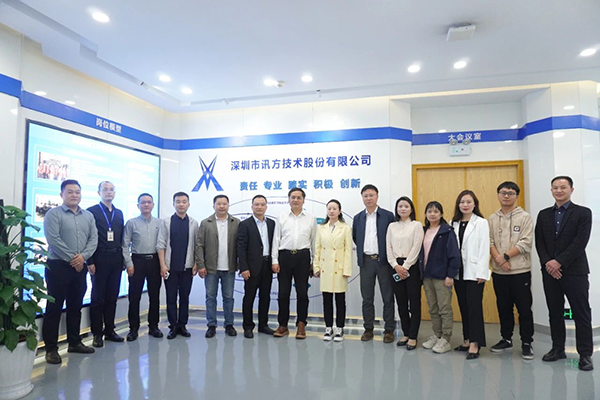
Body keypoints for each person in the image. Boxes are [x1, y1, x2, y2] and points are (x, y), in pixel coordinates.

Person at [535, 176, 593, 371]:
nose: (559, 191)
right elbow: (539, 242)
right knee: (555, 312)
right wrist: (548, 263)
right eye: (555, 187)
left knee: (581, 312)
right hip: (550, 272)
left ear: (571, 190)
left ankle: (585, 354)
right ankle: (558, 349)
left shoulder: (583, 213)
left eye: (563, 187)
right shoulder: (544, 214)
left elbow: (580, 242)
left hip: (575, 271)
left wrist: (559, 262)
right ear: (551, 190)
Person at [42, 179, 98, 364]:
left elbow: (93, 239)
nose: (74, 195)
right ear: (62, 194)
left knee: (75, 306)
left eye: (77, 192)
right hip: (58, 267)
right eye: (70, 192)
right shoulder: (53, 214)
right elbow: (53, 240)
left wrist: (83, 257)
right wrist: (74, 260)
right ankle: (51, 349)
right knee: (54, 308)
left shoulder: (88, 216)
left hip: (80, 268)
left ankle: (74, 342)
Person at [488, 181, 535, 360]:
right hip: (499, 272)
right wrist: (499, 260)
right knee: (503, 307)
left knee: (524, 309)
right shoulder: (492, 218)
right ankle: (506, 339)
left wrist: (505, 257)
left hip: (519, 271)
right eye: (503, 192)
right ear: (498, 195)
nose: (506, 196)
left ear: (516, 196)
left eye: (510, 193)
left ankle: (527, 342)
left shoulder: (525, 217)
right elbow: (489, 241)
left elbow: (525, 242)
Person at [271, 187, 317, 339]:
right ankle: (283, 325)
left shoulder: (310, 218)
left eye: (298, 197)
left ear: (303, 200)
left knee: (302, 293)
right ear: (289, 199)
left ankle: (301, 324)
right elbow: (276, 239)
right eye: (293, 197)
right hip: (284, 257)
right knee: (283, 293)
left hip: (303, 257)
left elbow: (314, 241)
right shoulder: (282, 217)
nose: (295, 200)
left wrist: (314, 262)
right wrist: (274, 260)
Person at [352, 184, 396, 343]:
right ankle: (368, 329)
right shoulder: (358, 218)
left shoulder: (388, 216)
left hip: (384, 262)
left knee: (388, 297)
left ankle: (389, 330)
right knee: (367, 298)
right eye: (365, 196)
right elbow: (356, 237)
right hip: (366, 262)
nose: (368, 198)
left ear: (377, 196)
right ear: (362, 198)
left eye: (371, 195)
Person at [451, 190, 490, 360]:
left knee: (474, 308)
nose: (465, 205)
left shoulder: (481, 223)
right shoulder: (453, 223)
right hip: (458, 271)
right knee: (463, 306)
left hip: (474, 272)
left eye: (468, 202)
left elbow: (484, 248)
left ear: (475, 204)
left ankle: (475, 343)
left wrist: (482, 272)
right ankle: (467, 339)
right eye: (462, 202)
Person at [196, 195, 240, 338]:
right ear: (213, 206)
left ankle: (229, 324)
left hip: (229, 267)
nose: (221, 206)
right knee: (210, 297)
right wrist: (201, 265)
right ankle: (211, 325)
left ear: (228, 205)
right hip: (210, 268)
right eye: (218, 204)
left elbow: (241, 245)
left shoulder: (236, 222)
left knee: (228, 297)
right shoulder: (206, 223)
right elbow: (199, 245)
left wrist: (241, 264)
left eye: (224, 204)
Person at [87, 181, 125, 347]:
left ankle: (110, 330)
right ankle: (97, 333)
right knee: (97, 298)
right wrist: (90, 261)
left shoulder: (119, 213)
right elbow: (88, 237)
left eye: (111, 190)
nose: (109, 192)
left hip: (116, 259)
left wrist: (123, 260)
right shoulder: (91, 212)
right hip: (99, 258)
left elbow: (122, 237)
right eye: (105, 189)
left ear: (115, 193)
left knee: (112, 297)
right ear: (99, 192)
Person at [419, 201, 460, 354]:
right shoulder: (423, 231)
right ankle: (437, 335)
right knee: (433, 308)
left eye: (436, 211)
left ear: (441, 214)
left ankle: (446, 338)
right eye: (429, 211)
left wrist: (450, 275)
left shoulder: (447, 231)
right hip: (427, 276)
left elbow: (454, 255)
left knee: (444, 308)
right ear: (425, 214)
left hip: (442, 277)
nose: (432, 214)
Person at [157, 192, 199, 339]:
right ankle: (173, 326)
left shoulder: (193, 223)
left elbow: (197, 245)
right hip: (170, 267)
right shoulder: (166, 222)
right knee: (171, 297)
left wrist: (195, 264)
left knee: (184, 298)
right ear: (173, 204)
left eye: (184, 201)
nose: (181, 204)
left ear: (188, 204)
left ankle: (182, 325)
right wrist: (162, 265)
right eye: (178, 202)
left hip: (187, 267)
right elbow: (160, 244)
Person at [122, 193, 163, 341]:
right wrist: (129, 263)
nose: (146, 205)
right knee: (134, 296)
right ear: (138, 205)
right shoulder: (131, 223)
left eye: (149, 202)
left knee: (154, 295)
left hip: (154, 261)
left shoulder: (159, 223)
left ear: (153, 205)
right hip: (137, 261)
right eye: (143, 202)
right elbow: (125, 245)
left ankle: (154, 326)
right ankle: (133, 328)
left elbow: (162, 244)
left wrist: (163, 264)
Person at [386, 197, 424, 349]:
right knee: (401, 302)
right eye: (400, 206)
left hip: (412, 267)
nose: (403, 209)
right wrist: (395, 265)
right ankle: (406, 333)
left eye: (406, 206)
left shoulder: (416, 225)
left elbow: (417, 247)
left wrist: (405, 266)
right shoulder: (391, 226)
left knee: (414, 303)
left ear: (411, 209)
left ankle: (413, 336)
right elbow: (388, 247)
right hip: (395, 266)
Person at [237, 195, 276, 338]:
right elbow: (241, 248)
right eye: (256, 204)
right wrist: (244, 268)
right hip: (251, 267)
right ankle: (248, 326)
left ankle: (263, 325)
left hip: (267, 265)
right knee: (249, 298)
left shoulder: (271, 224)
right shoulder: (244, 224)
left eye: (262, 204)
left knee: (265, 297)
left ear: (266, 207)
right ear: (252, 206)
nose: (259, 207)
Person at [314, 199, 353, 342]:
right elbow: (317, 248)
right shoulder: (321, 228)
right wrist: (316, 266)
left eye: (334, 208)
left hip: (339, 268)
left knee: (340, 300)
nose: (331, 211)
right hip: (325, 268)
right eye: (329, 208)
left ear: (339, 211)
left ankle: (340, 328)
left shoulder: (345, 228)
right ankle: (328, 327)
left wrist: (347, 269)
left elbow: (348, 250)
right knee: (327, 300)